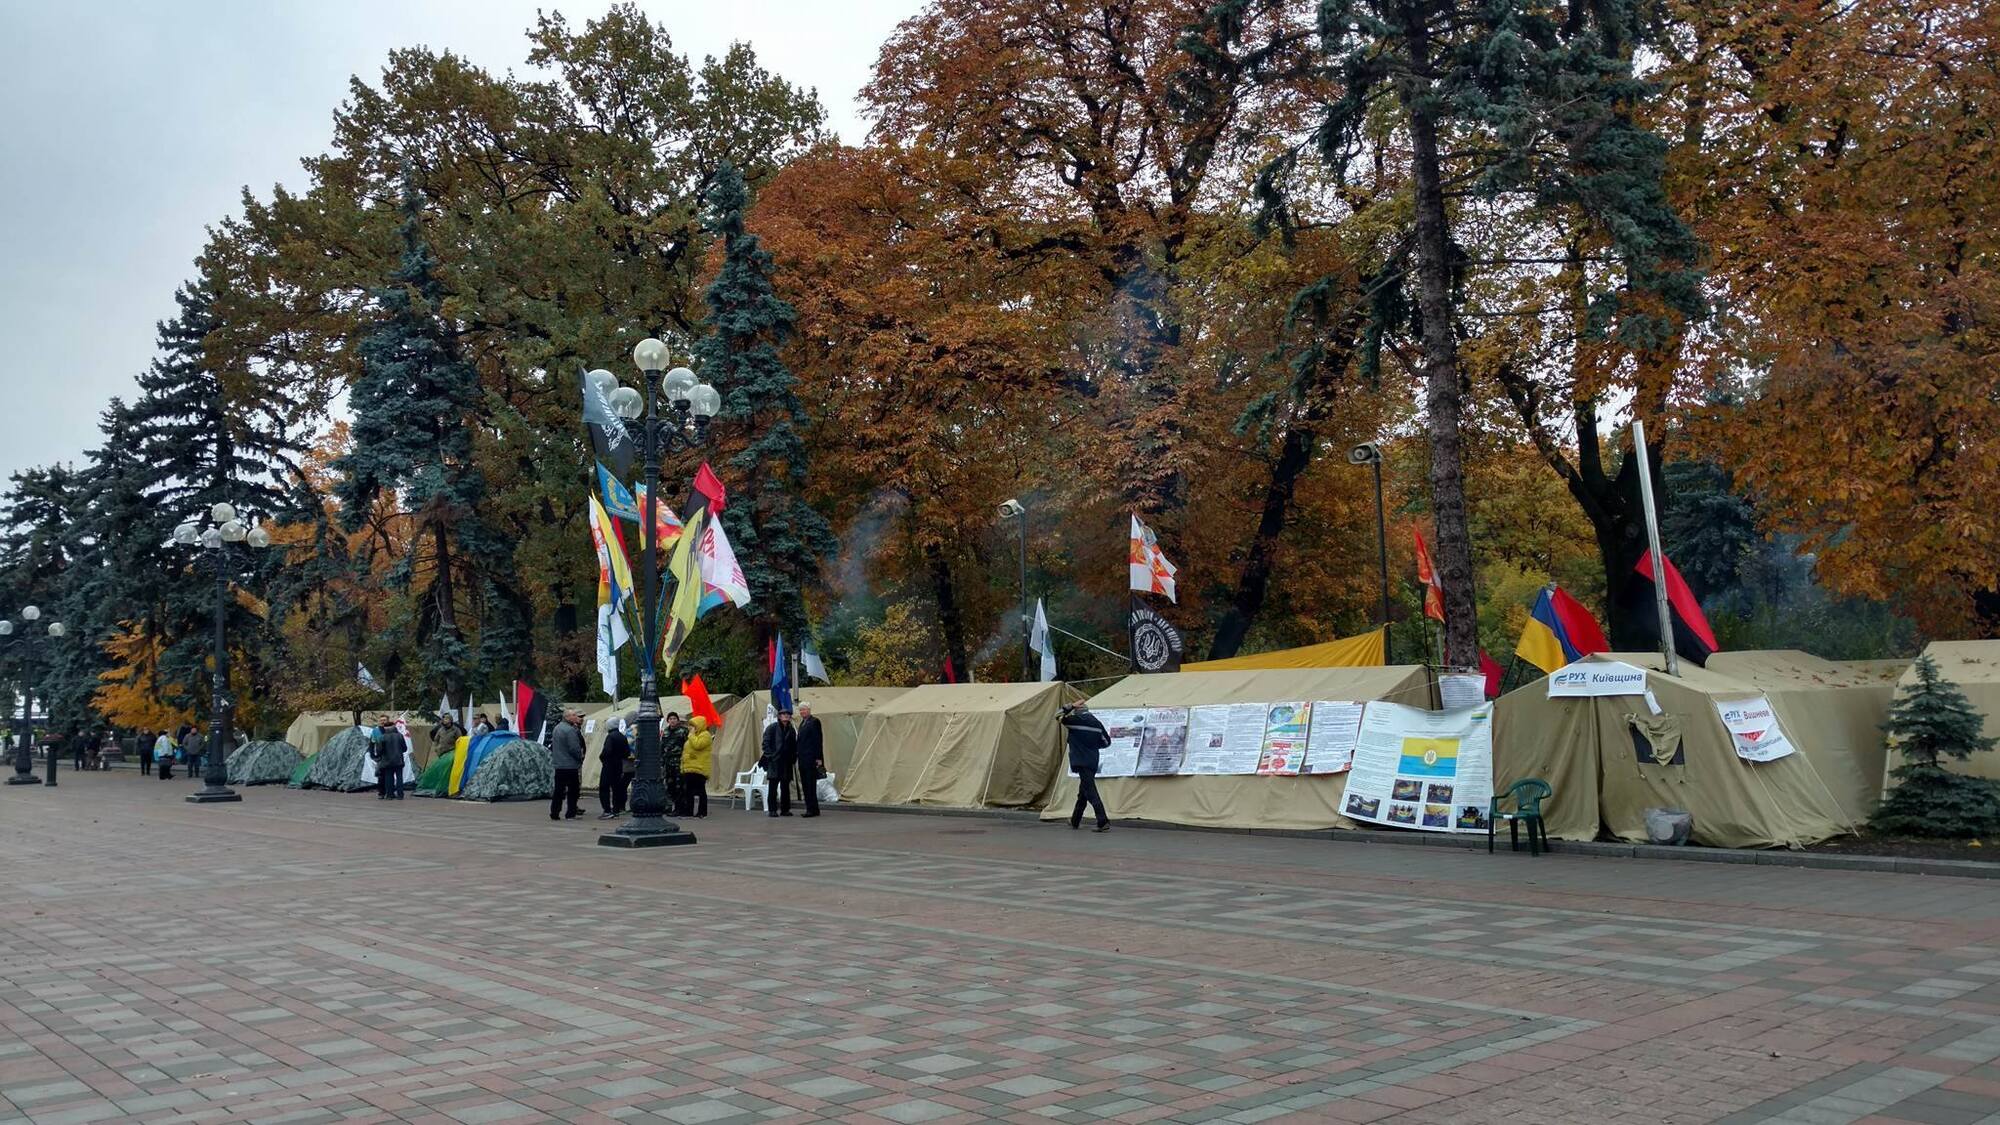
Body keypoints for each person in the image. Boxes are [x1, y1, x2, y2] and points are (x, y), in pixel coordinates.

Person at [1061, 701, 1112, 832]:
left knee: (1090, 792)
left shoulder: (1074, 720)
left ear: (1077, 711)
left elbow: (1057, 716)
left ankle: (1103, 821)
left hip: (1080, 761)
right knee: (1083, 792)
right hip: (1092, 761)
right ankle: (1075, 820)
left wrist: (1070, 706)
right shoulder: (1097, 723)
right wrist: (1093, 747)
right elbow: (1107, 742)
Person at [549, 708, 585, 821]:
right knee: (573, 791)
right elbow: (574, 748)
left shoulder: (557, 728)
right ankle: (570, 813)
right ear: (567, 717)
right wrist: (580, 757)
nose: (575, 717)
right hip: (570, 765)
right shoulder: (570, 730)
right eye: (573, 715)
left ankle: (554, 812)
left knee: (559, 790)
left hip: (559, 765)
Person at [761, 708, 798, 817]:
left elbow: (794, 745)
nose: (786, 716)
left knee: (785, 787)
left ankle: (785, 809)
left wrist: (793, 757)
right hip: (775, 762)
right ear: (779, 716)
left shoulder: (791, 729)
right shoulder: (772, 728)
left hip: (787, 762)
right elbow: (765, 743)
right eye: (783, 714)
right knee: (773, 787)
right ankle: (772, 809)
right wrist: (771, 756)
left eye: (788, 714)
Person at [597, 717, 631, 819]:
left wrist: (602, 758)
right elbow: (627, 753)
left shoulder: (610, 737)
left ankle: (607, 810)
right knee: (616, 788)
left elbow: (607, 751)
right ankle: (616, 809)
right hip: (619, 765)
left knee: (604, 787)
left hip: (608, 765)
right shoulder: (622, 737)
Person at [679, 715, 712, 818]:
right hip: (689, 767)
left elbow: (698, 745)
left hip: (699, 768)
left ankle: (702, 812)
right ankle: (688, 812)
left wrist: (691, 735)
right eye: (690, 726)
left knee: (700, 791)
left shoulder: (705, 735)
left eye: (692, 726)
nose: (690, 728)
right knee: (688, 791)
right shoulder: (692, 736)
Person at [795, 703, 824, 818]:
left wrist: (818, 758)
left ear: (809, 710)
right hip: (802, 759)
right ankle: (813, 808)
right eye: (801, 710)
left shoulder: (814, 722)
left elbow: (818, 741)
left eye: (804, 710)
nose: (802, 712)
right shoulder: (802, 723)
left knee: (810, 785)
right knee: (806, 785)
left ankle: (811, 809)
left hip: (811, 758)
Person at [370, 724, 408, 800]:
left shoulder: (382, 737)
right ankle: (400, 795)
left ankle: (390, 795)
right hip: (399, 760)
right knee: (399, 778)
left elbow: (379, 751)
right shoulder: (400, 736)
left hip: (387, 761)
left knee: (388, 778)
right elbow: (405, 748)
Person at [661, 712, 689, 813]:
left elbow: (688, 745)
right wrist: (662, 760)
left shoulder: (683, 731)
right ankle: (669, 806)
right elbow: (662, 746)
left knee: (680, 785)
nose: (672, 720)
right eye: (670, 719)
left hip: (679, 761)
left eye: (674, 718)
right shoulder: (665, 732)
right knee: (669, 786)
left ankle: (680, 808)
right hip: (668, 762)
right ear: (668, 721)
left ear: (677, 720)